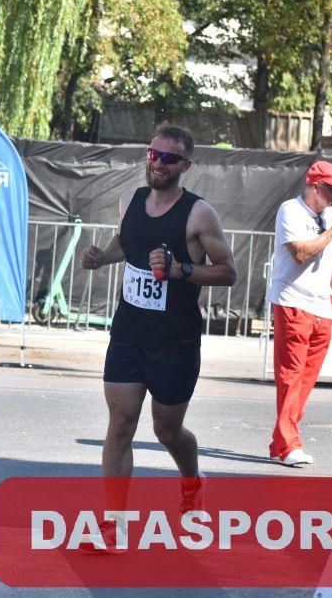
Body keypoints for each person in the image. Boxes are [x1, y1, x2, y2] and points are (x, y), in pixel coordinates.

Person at [79, 125, 237, 546]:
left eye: (169, 158)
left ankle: (192, 481)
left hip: (175, 341)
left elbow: (228, 272)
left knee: (167, 430)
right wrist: (101, 257)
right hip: (128, 333)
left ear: (185, 166)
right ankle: (112, 526)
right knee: (120, 425)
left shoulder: (198, 214)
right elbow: (125, 242)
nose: (159, 164)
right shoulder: (129, 200)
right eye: (154, 154)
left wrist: (182, 269)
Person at [267, 160, 332, 467]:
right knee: (291, 376)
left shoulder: (331, 216)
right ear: (315, 187)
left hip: (321, 307)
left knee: (305, 380)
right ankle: (289, 444)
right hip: (292, 301)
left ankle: (282, 439)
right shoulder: (290, 210)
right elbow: (301, 254)